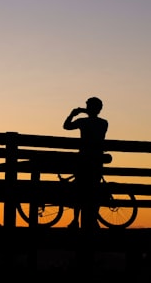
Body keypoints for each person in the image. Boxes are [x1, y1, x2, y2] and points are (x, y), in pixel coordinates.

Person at [63, 96, 109, 230]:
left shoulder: (83, 122)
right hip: (97, 160)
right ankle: (93, 219)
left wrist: (73, 113)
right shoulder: (104, 123)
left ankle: (75, 220)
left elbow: (66, 126)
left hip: (83, 159)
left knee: (79, 190)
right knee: (94, 190)